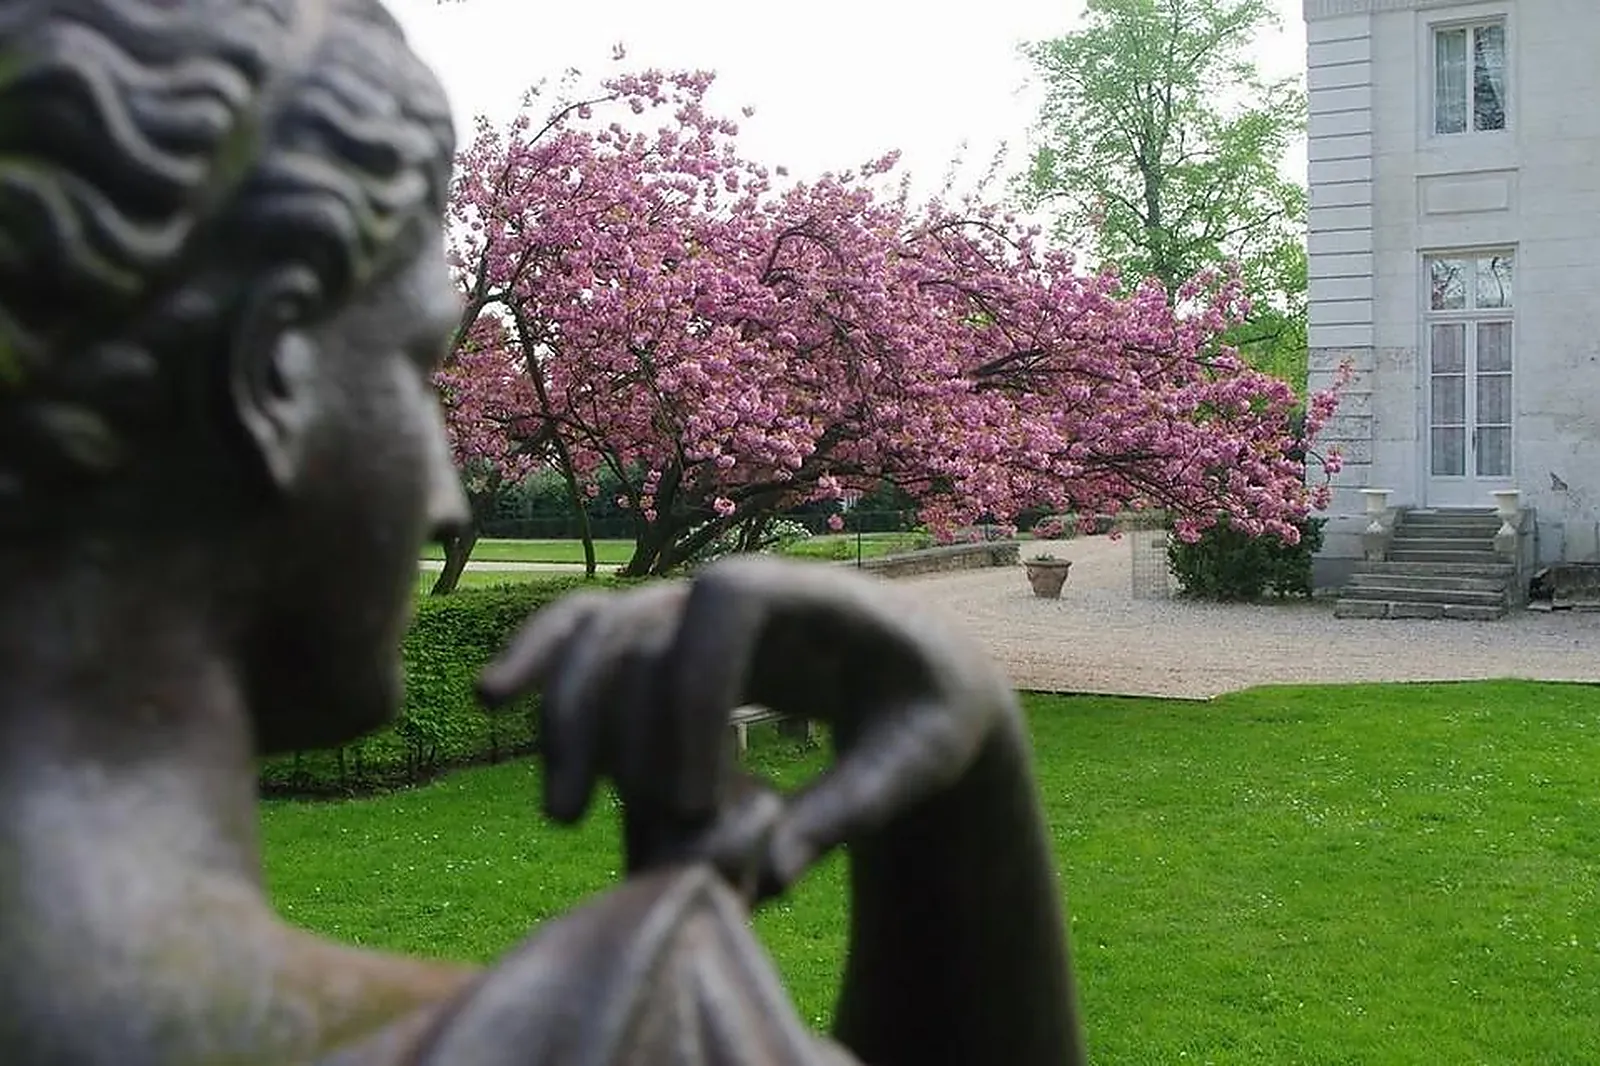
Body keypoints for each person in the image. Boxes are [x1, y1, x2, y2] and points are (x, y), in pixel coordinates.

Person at [0, 2, 1088, 1064]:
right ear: (269, 373)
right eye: (411, 367)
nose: (445, 494)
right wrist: (969, 780)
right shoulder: (623, 1031)